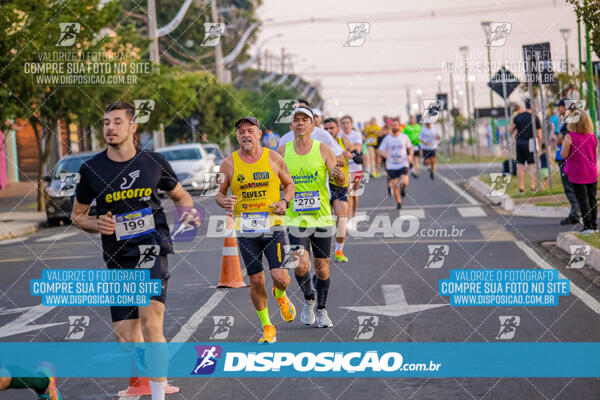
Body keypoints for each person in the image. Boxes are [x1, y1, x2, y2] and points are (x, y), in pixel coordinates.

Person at [71, 101, 199, 400]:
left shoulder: (153, 162)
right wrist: (96, 223)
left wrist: (188, 222)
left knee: (151, 321)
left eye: (117, 122)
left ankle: (158, 393)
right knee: (126, 338)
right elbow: (77, 215)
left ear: (132, 127)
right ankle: (154, 374)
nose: (110, 128)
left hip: (151, 248)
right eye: (106, 122)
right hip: (117, 254)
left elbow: (182, 197)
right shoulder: (92, 169)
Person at [215, 116, 296, 343]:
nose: (245, 135)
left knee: (281, 278)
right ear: (237, 136)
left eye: (250, 130)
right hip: (246, 232)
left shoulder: (274, 158)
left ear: (259, 134)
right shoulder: (227, 163)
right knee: (257, 281)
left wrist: (284, 202)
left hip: (274, 228)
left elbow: (290, 184)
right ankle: (267, 326)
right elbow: (218, 194)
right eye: (241, 131)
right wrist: (224, 202)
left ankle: (280, 295)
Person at [278, 106, 345, 328]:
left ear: (312, 125)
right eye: (296, 120)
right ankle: (308, 298)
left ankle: (322, 309)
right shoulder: (282, 151)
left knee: (322, 268)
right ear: (291, 126)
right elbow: (272, 180)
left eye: (304, 120)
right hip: (296, 218)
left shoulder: (324, 149)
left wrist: (339, 176)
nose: (300, 123)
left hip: (322, 218)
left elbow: (340, 180)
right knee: (299, 264)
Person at [561, 109, 598, 233]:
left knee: (583, 199)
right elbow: (595, 153)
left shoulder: (569, 136)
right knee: (592, 198)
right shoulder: (592, 136)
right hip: (592, 172)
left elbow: (564, 154)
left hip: (577, 173)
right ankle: (594, 224)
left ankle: (587, 227)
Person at [324, 117, 352, 262]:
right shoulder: (321, 144)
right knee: (323, 223)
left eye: (331, 128)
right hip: (323, 186)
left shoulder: (343, 142)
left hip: (340, 186)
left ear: (337, 129)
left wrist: (352, 151)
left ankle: (339, 251)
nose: (329, 131)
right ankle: (320, 253)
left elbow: (356, 152)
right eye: (326, 129)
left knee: (341, 220)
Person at [553, 99, 581, 225]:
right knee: (573, 186)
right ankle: (575, 212)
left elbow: (561, 140)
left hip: (566, 157)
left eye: (559, 107)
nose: (558, 109)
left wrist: (559, 139)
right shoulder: (573, 120)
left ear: (565, 107)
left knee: (569, 187)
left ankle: (575, 213)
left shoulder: (568, 122)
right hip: (572, 158)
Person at [378, 118, 413, 210]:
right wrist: (383, 153)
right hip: (391, 165)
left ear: (399, 126)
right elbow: (380, 149)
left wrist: (410, 156)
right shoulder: (387, 138)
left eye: (396, 125)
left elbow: (410, 147)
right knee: (394, 186)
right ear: (391, 126)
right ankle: (399, 202)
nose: (394, 126)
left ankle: (403, 188)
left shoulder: (404, 137)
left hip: (403, 163)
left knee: (405, 181)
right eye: (393, 125)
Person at [510, 100, 542, 193]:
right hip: (531, 142)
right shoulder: (535, 117)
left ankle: (521, 188)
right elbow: (539, 135)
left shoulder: (518, 117)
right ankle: (532, 186)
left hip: (519, 142)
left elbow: (511, 130)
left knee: (520, 165)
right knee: (532, 164)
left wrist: (513, 119)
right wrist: (538, 146)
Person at [340, 115, 363, 228]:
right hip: (344, 169)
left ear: (351, 124)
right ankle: (349, 218)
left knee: (354, 194)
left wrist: (347, 143)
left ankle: (354, 214)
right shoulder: (338, 135)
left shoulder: (356, 135)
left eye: (348, 123)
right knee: (348, 194)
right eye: (343, 123)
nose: (345, 125)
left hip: (355, 168)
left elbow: (357, 149)